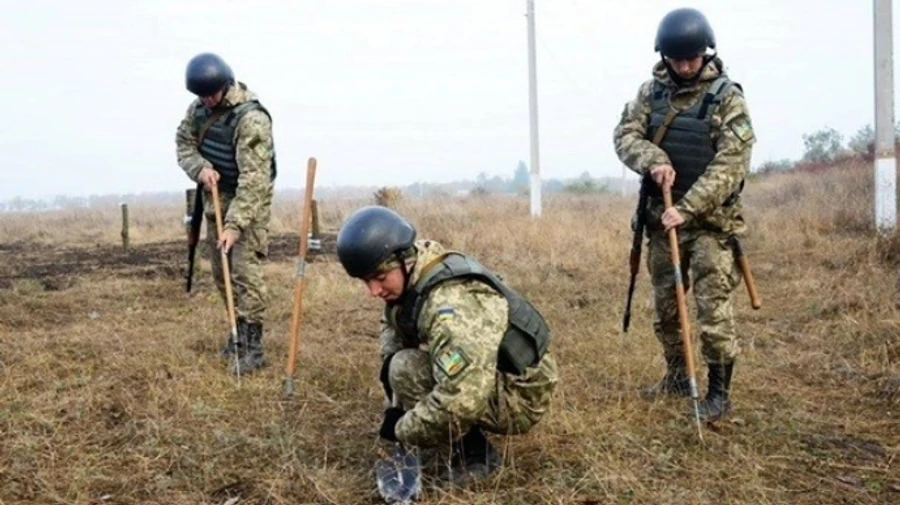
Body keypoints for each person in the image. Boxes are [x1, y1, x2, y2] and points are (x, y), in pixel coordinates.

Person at [335, 205, 559, 485]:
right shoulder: (416, 269)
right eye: (366, 281)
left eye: (380, 279)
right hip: (492, 372)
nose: (374, 292)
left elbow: (462, 401)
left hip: (521, 396)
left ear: (403, 261)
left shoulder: (449, 306)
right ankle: (462, 437)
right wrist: (393, 405)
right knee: (397, 365)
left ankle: (475, 453)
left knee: (406, 369)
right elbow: (392, 329)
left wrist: (403, 429)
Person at [612, 8, 756, 422]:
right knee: (667, 306)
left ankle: (718, 393)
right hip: (661, 221)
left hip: (711, 225)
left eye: (692, 59)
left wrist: (687, 209)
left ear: (705, 53)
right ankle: (677, 375)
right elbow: (624, 135)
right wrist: (653, 159)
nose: (685, 67)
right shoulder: (650, 93)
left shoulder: (727, 98)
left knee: (713, 310)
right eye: (677, 60)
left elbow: (731, 164)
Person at [175, 52, 277, 375]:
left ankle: (253, 346)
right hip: (216, 196)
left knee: (244, 272)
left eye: (211, 93)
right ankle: (236, 334)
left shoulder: (252, 119)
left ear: (225, 84)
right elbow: (183, 145)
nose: (206, 100)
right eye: (200, 95)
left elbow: (255, 180)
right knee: (221, 271)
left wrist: (234, 226)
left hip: (248, 200)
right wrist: (200, 169)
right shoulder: (198, 111)